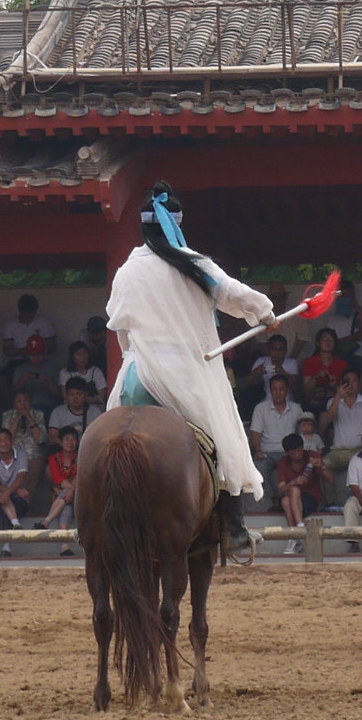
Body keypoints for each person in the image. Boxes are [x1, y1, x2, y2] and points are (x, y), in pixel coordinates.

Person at [103, 184, 279, 558]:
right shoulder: (195, 263)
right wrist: (265, 312)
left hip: (136, 374)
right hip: (186, 374)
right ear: (176, 226)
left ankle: (94, 520)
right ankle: (234, 529)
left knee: (106, 440)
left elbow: (120, 331)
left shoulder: (126, 271)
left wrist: (134, 360)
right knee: (226, 438)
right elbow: (232, 293)